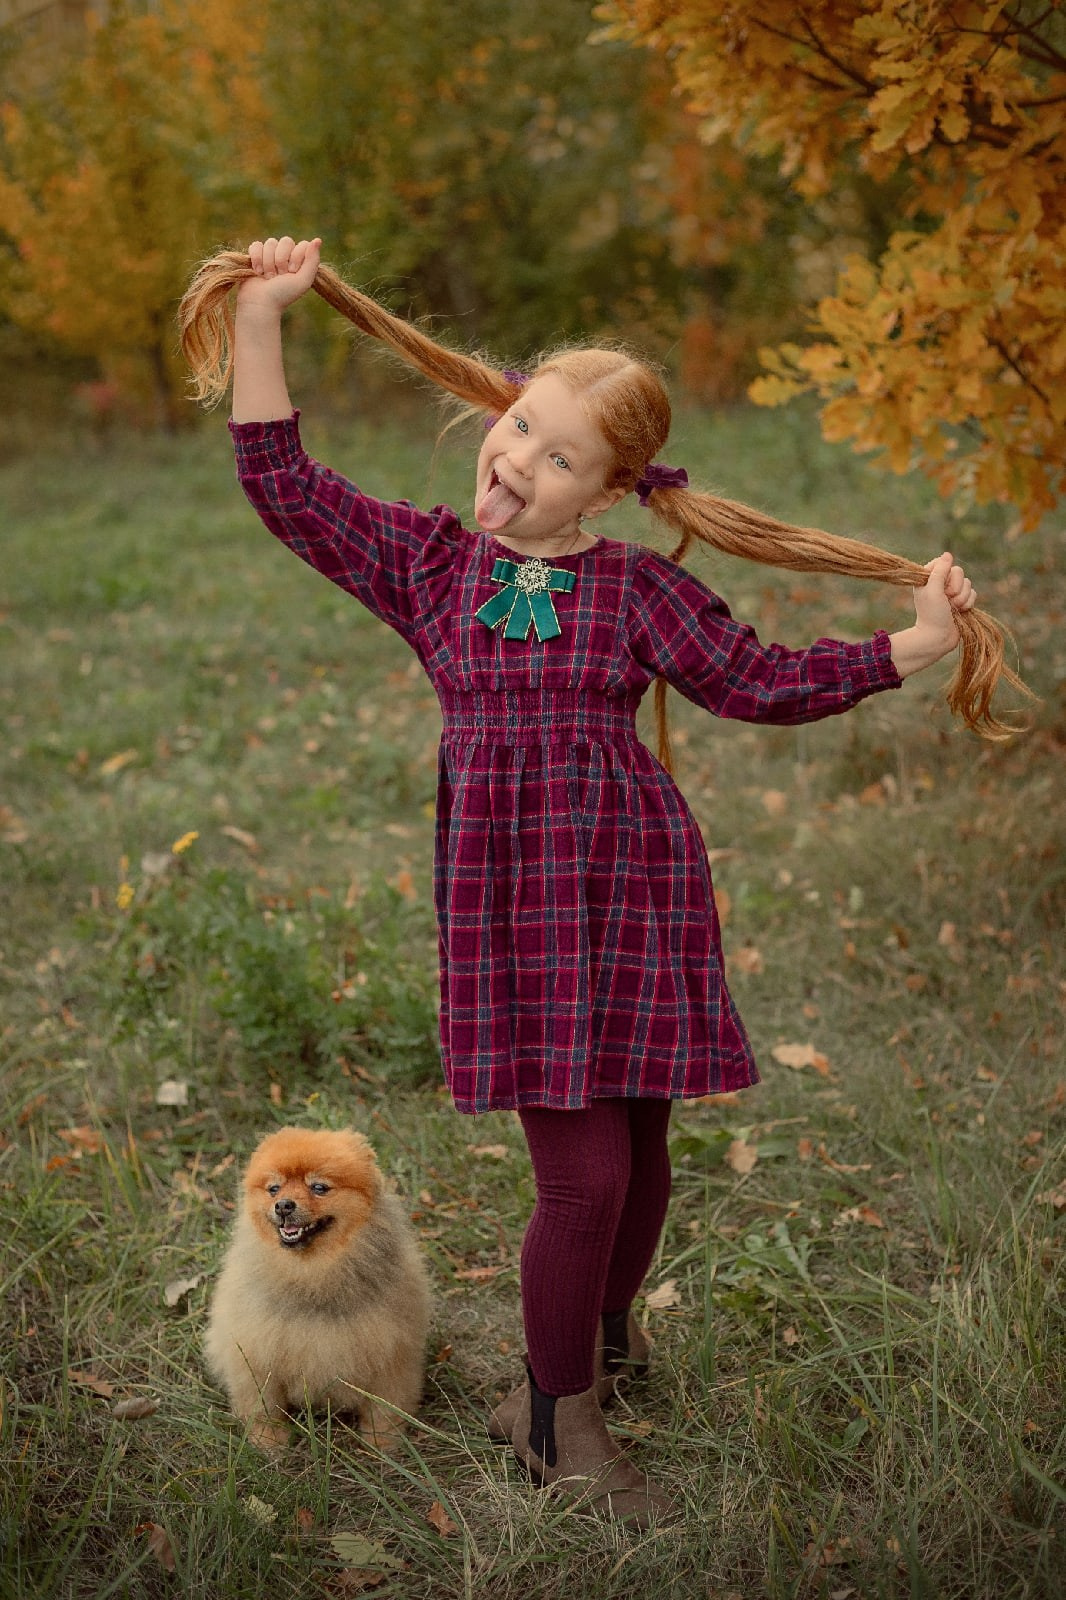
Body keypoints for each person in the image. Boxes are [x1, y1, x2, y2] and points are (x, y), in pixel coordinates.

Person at [180, 234, 1009, 1528]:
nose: (516, 460)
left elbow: (759, 684)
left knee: (642, 1153)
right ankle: (549, 1414)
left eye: (557, 456)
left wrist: (910, 645)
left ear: (610, 491)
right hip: (519, 909)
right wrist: (266, 318)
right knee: (582, 1180)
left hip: (633, 891)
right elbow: (283, 483)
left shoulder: (631, 590)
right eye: (516, 428)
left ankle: (599, 1351)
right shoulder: (429, 567)